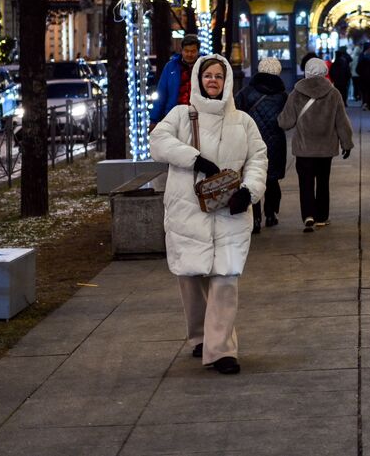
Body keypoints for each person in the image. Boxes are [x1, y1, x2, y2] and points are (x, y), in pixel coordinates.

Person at [149, 54, 268, 375]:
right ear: (199, 80)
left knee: (226, 279)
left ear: (227, 80)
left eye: (218, 75)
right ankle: (201, 336)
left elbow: (258, 158)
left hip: (231, 211)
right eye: (207, 75)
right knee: (191, 278)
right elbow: (157, 142)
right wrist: (194, 158)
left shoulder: (243, 121)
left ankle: (222, 350)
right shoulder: (180, 115)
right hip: (188, 210)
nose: (213, 80)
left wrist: (249, 191)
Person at [278, 57, 353, 232]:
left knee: (305, 183)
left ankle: (308, 215)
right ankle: (321, 217)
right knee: (323, 182)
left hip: (304, 150)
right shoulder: (334, 93)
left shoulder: (296, 93)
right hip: (325, 149)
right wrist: (346, 143)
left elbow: (285, 122)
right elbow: (342, 121)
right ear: (324, 72)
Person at [235, 58, 289, 233]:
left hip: (252, 141)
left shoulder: (246, 92)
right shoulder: (282, 95)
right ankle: (271, 214)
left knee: (253, 177)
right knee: (272, 179)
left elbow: (236, 114)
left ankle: (255, 218)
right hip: (275, 141)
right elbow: (287, 119)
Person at [150, 35, 201, 125]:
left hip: (198, 118)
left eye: (193, 51)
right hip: (173, 117)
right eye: (186, 51)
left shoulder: (203, 67)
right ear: (181, 51)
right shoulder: (171, 67)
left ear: (198, 51)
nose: (189, 54)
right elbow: (161, 93)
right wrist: (154, 119)